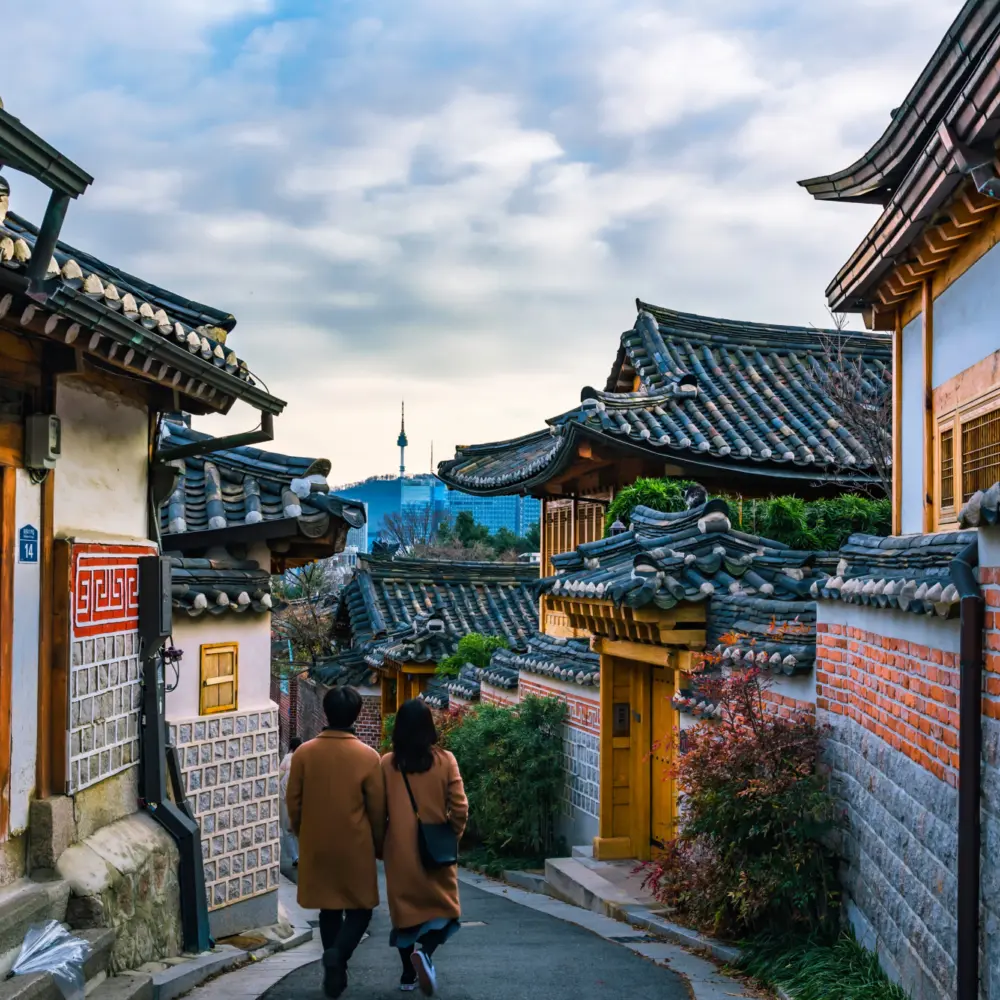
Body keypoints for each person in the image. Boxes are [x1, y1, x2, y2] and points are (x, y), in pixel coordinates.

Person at [286, 687, 386, 998]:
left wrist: (302, 833)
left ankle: (334, 966)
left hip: (316, 842)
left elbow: (294, 802)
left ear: (326, 712)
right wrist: (379, 845)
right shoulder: (369, 757)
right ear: (357, 714)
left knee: (328, 909)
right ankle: (338, 956)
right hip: (356, 844)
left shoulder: (304, 754)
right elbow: (377, 809)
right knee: (361, 909)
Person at [381, 699, 468, 996]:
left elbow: (378, 810)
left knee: (404, 914)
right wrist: (452, 836)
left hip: (398, 850)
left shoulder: (387, 764)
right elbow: (460, 807)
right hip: (435, 850)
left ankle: (408, 974)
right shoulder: (446, 761)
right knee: (447, 910)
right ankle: (426, 952)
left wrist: (381, 845)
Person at [278, 737, 302, 868]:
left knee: (287, 830)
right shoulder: (303, 758)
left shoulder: (287, 758)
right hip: (300, 798)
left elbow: (279, 777)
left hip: (285, 798)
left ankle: (295, 857)